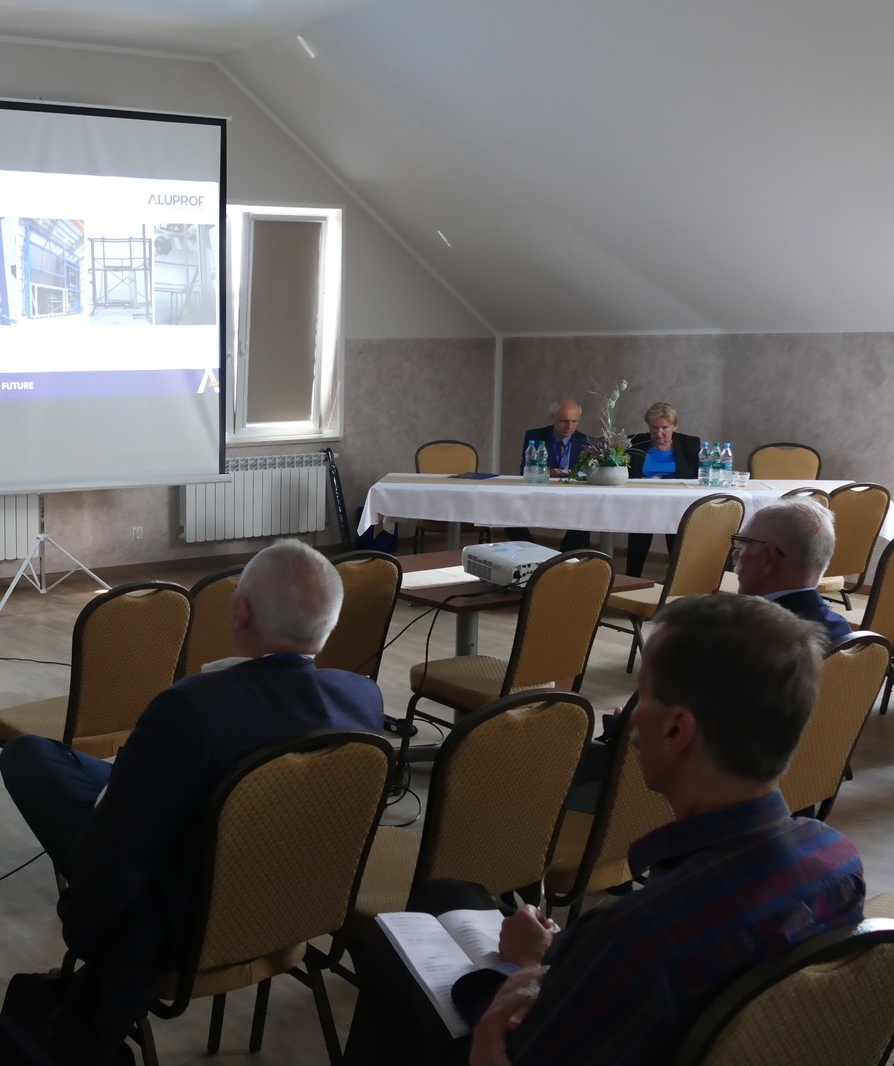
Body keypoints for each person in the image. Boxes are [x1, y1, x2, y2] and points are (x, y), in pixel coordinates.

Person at [347, 593, 864, 1066]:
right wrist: (549, 959)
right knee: (445, 891)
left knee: (390, 959)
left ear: (677, 729)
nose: (629, 718)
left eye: (642, 697)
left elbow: (519, 1043)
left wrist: (527, 971)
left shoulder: (631, 938)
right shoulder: (836, 859)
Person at [0, 540, 385, 1063]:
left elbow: (115, 860)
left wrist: (84, 929)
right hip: (293, 907)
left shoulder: (190, 706)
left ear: (240, 611)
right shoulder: (362, 697)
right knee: (71, 766)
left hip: (191, 923)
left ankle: (116, 785)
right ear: (330, 623)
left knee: (29, 756)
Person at [731, 496, 853, 641]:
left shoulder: (749, 636)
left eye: (743, 544)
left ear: (769, 557)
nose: (735, 554)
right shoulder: (841, 628)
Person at [624, 401, 702, 576]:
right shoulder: (635, 442)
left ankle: (676, 581)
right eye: (654, 428)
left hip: (677, 503)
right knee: (639, 538)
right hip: (643, 502)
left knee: (677, 545)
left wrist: (659, 479)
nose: (659, 433)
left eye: (665, 428)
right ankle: (632, 578)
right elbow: (624, 473)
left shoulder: (690, 444)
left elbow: (695, 476)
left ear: (675, 426)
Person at [508, 398, 595, 550]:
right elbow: (525, 470)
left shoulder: (587, 441)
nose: (569, 426)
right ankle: (531, 552)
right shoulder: (535, 437)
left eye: (574, 421)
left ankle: (566, 556)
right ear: (553, 418)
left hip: (572, 495)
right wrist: (547, 473)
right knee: (508, 510)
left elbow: (590, 474)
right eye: (564, 421)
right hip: (539, 491)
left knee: (588, 513)